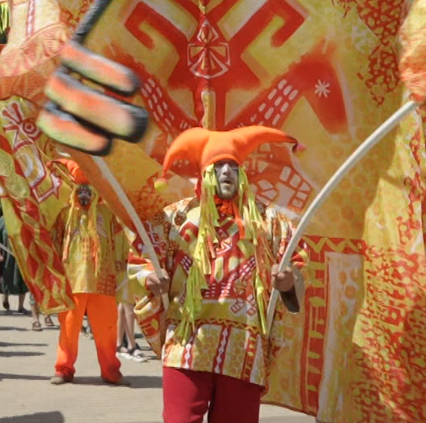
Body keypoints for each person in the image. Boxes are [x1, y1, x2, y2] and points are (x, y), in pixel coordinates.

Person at [129, 126, 304, 423]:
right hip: (187, 344)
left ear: (243, 173)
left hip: (243, 347)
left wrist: (288, 281)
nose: (226, 172)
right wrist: (150, 277)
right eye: (218, 165)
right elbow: (142, 256)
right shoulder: (176, 218)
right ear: (204, 173)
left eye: (233, 166)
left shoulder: (269, 222)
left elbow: (297, 265)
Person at [49, 159, 127, 386]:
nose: (84, 194)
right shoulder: (65, 214)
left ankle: (111, 370)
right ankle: (63, 368)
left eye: (88, 189)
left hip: (103, 280)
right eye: (80, 189)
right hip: (72, 279)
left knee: (107, 329)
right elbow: (54, 241)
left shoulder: (108, 212)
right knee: (69, 328)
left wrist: (123, 260)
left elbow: (121, 239)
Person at [0, 217, 28, 315]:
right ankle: (5, 297)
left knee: (22, 278)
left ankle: (21, 306)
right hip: (7, 253)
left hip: (21, 253)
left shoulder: (23, 216)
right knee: (7, 275)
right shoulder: (2, 220)